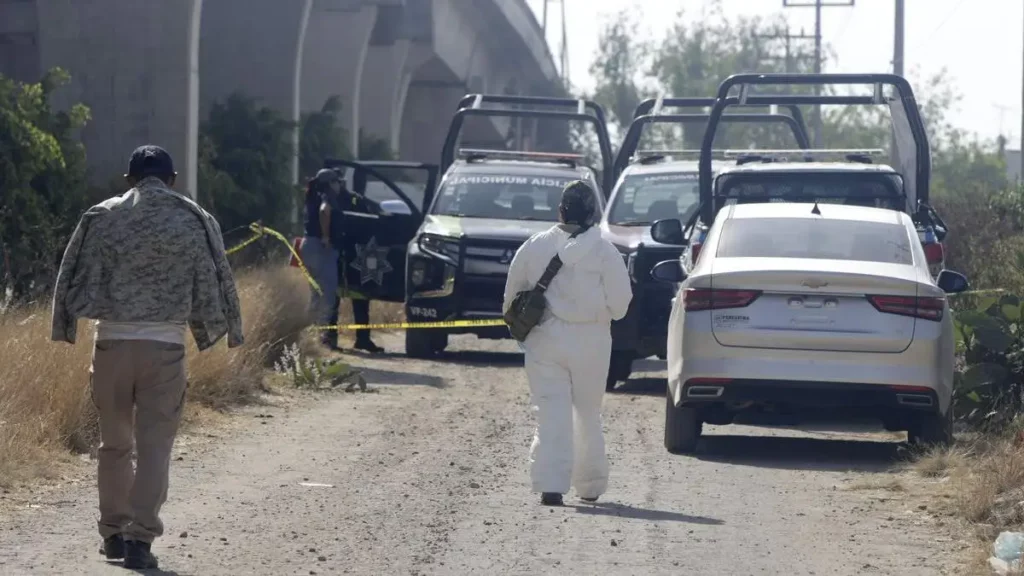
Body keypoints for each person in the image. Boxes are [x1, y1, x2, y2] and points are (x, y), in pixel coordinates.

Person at [51, 145, 244, 569]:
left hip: (112, 346)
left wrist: (64, 323)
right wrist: (228, 329)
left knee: (114, 444)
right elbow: (219, 280)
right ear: (172, 179)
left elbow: (71, 274)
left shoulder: (102, 216)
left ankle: (113, 534)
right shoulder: (195, 219)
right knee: (155, 448)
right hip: (166, 349)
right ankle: (140, 540)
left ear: (128, 180)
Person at [502, 180, 632, 506]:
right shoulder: (606, 253)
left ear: (560, 210)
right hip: (592, 342)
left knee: (551, 412)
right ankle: (589, 486)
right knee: (588, 413)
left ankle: (551, 485)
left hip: (545, 341)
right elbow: (620, 306)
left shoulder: (534, 246)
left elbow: (510, 301)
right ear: (593, 214)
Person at [338, 171, 386, 354]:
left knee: (361, 298)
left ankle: (362, 339)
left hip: (357, 253)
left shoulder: (355, 200)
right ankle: (329, 339)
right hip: (340, 253)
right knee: (332, 299)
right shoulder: (326, 201)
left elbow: (375, 216)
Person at [301, 168, 345, 350]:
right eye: (336, 181)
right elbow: (324, 212)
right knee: (327, 296)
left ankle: (308, 336)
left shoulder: (312, 195)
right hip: (321, 248)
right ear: (329, 183)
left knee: (315, 296)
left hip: (307, 246)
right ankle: (320, 340)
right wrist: (326, 237)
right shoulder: (326, 197)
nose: (339, 185)